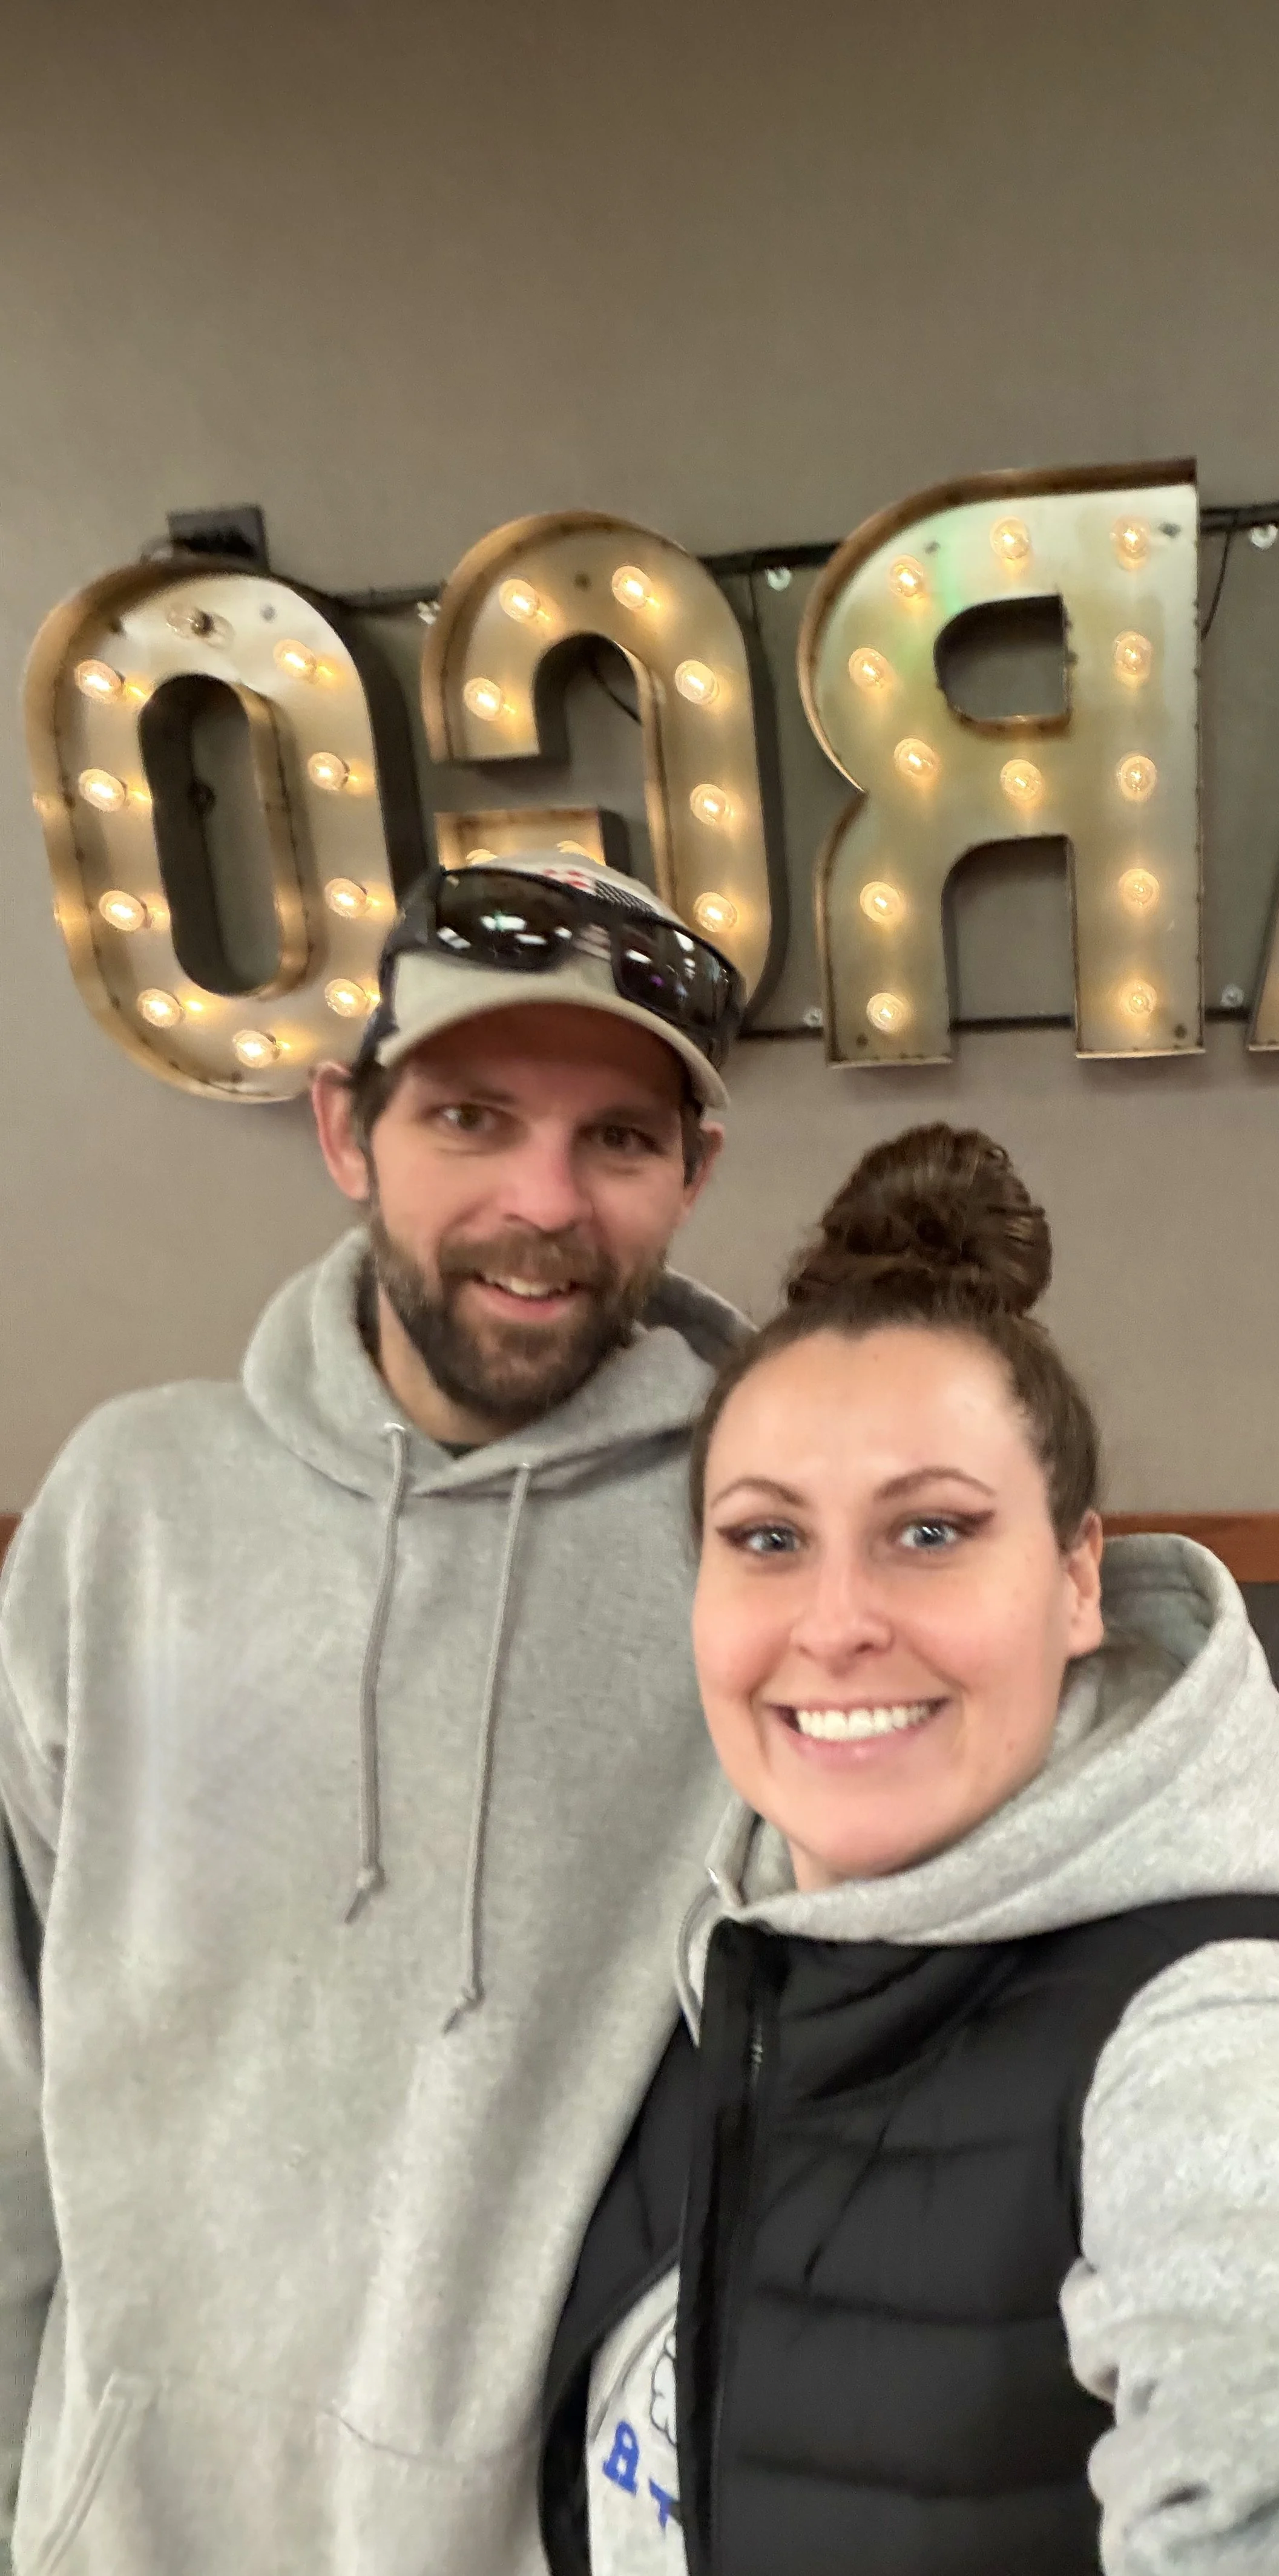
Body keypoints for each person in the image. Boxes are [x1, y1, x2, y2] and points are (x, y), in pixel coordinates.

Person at [542, 1122, 1279, 2576]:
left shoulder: (1209, 2026)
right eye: (764, 1539)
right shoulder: (715, 1950)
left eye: (928, 1531)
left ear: (1074, 1581)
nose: (832, 1620)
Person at [0, 854, 749, 2575]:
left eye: (617, 1140)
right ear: (349, 1131)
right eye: (473, 1119)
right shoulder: (126, 1511)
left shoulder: (771, 1531)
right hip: (128, 2529)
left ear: (692, 1173)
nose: (542, 1203)